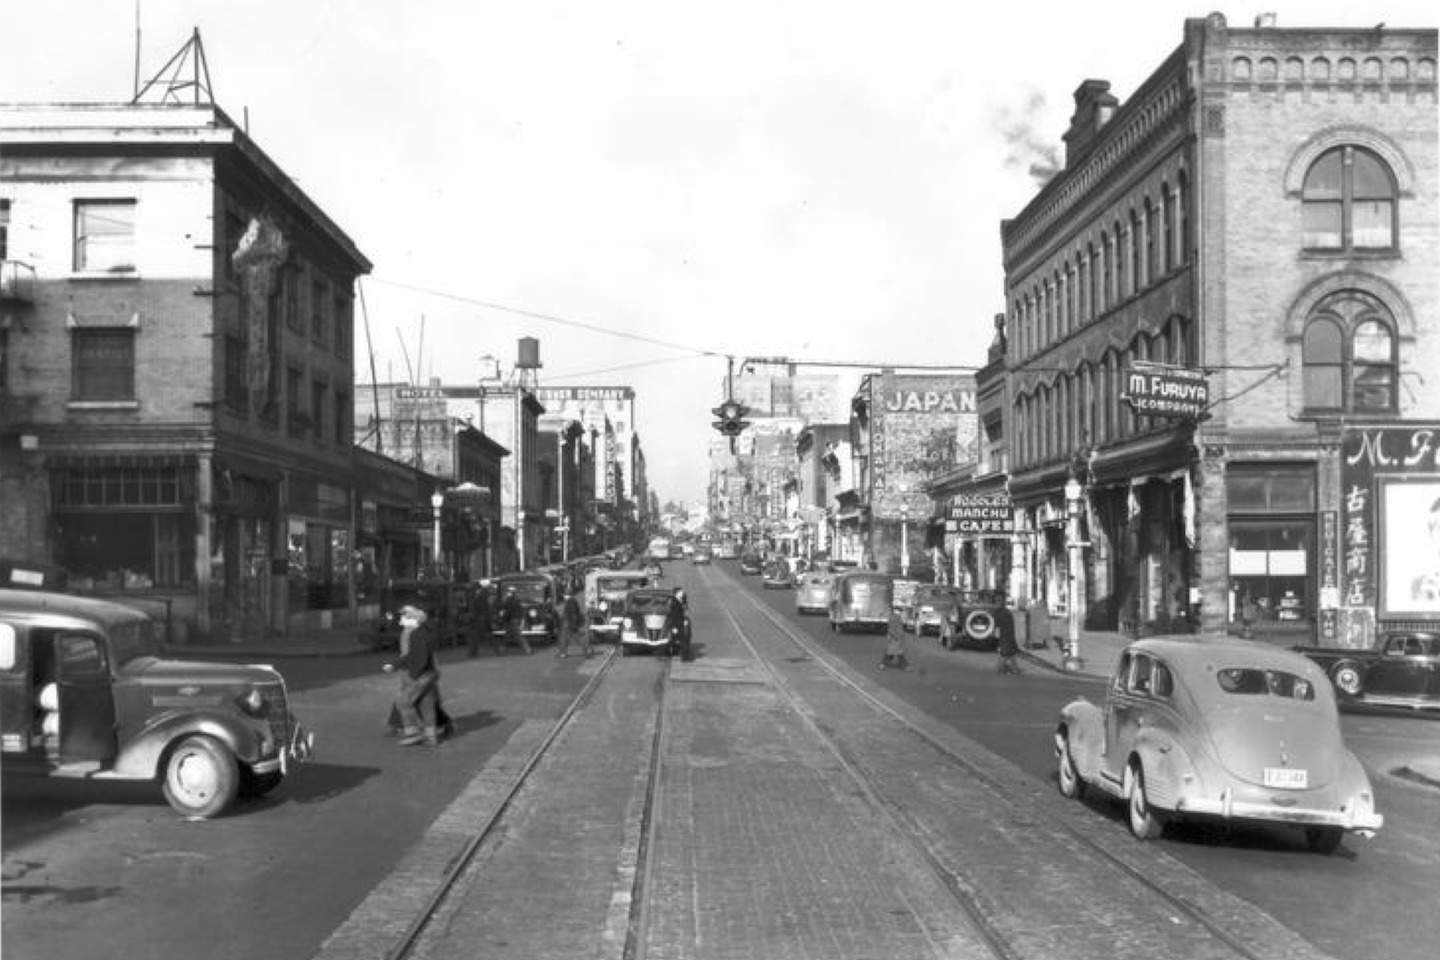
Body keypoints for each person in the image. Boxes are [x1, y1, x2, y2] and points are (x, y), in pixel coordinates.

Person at [383, 605, 442, 746]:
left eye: (403, 617)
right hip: (428, 672)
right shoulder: (422, 632)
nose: (400, 621)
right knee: (426, 703)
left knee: (404, 701)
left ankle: (412, 732)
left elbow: (414, 657)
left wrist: (407, 671)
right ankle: (431, 735)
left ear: (413, 618)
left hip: (418, 673)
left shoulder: (415, 634)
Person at [556, 586, 592, 658]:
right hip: (567, 623)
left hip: (569, 623)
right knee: (565, 638)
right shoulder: (570, 601)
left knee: (575, 638)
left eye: (565, 594)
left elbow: (573, 614)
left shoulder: (571, 601)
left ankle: (587, 649)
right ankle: (563, 652)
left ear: (568, 595)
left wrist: (574, 624)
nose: (564, 596)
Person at [498, 585, 532, 655]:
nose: (507, 593)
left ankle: (527, 649)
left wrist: (502, 618)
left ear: (511, 592)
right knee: (508, 635)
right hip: (515, 620)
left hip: (512, 620)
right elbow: (521, 611)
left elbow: (506, 611)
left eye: (508, 592)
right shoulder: (517, 600)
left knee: (516, 635)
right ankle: (501, 649)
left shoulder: (508, 600)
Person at [467, 580, 494, 658]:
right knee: (480, 634)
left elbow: (482, 607)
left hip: (478, 617)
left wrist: (481, 615)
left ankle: (473, 652)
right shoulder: (480, 594)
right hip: (478, 617)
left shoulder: (481, 595)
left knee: (476, 635)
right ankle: (473, 652)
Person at [995, 607, 1021, 675]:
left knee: (1004, 654)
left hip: (1006, 640)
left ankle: (1001, 670)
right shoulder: (1006, 614)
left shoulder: (1004, 615)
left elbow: (1002, 630)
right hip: (1008, 640)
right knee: (1011, 655)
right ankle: (1013, 670)